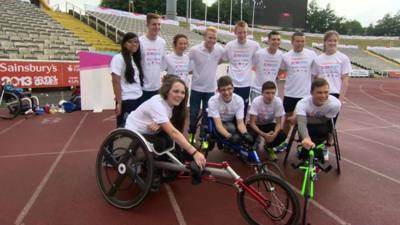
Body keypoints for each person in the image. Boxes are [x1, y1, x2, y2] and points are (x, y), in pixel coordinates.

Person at [125, 76, 207, 190]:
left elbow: (172, 128)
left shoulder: (169, 104)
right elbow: (173, 132)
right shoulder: (157, 103)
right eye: (176, 91)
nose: (180, 95)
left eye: (182, 93)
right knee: (162, 142)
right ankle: (137, 162)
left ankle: (157, 166)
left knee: (167, 141)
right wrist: (194, 152)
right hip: (133, 132)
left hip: (148, 132)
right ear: (167, 91)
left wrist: (159, 123)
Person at [188, 26, 225, 143]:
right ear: (204, 37)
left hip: (210, 89)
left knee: (207, 114)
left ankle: (203, 137)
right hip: (196, 88)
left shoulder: (219, 50)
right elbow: (185, 61)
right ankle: (191, 134)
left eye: (214, 38)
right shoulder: (194, 50)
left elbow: (221, 60)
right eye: (210, 37)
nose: (212, 40)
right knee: (193, 113)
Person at [295, 78, 341, 162]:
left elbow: (324, 120)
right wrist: (306, 138)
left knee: (321, 130)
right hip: (307, 126)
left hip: (323, 125)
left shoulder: (335, 104)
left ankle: (319, 147)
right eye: (319, 92)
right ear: (311, 93)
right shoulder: (302, 103)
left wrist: (307, 119)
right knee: (304, 129)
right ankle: (309, 147)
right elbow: (301, 123)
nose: (323, 96)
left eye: (326, 92)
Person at [281, 31, 317, 136]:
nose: (300, 43)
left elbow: (315, 74)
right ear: (292, 42)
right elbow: (280, 72)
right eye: (297, 41)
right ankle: (283, 142)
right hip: (290, 93)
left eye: (302, 41)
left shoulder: (312, 54)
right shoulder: (286, 56)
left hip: (305, 94)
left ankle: (303, 143)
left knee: (303, 121)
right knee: (287, 120)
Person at [224, 21, 260, 116]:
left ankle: (241, 128)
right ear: (235, 33)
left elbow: (258, 61)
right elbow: (223, 59)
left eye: (244, 32)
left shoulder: (255, 46)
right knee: (230, 107)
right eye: (240, 32)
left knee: (243, 107)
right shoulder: (229, 45)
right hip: (232, 83)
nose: (242, 35)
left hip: (245, 83)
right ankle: (230, 128)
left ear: (247, 32)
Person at [207, 76, 253, 146]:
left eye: (229, 89)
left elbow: (240, 123)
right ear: (218, 91)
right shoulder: (213, 101)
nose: (227, 92)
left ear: (233, 88)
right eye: (223, 90)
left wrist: (245, 134)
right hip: (218, 121)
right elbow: (218, 124)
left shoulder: (239, 100)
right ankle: (215, 136)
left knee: (241, 134)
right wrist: (229, 136)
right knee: (231, 128)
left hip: (230, 121)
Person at [110, 32, 144, 127]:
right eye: (130, 42)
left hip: (138, 97)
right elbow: (115, 82)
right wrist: (119, 102)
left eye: (136, 42)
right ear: (124, 44)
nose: (134, 44)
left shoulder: (134, 58)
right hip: (127, 100)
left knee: (137, 128)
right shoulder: (118, 58)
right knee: (125, 128)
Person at [248, 81, 287, 161]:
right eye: (267, 93)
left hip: (269, 124)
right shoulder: (256, 101)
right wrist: (263, 134)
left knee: (282, 135)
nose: (270, 96)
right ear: (262, 93)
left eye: (273, 93)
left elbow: (279, 123)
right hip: (256, 125)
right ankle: (254, 144)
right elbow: (252, 123)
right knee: (249, 139)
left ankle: (269, 147)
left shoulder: (278, 101)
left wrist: (274, 135)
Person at [312, 30, 351, 103]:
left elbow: (345, 80)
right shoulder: (317, 59)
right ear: (325, 42)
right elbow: (314, 79)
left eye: (335, 41)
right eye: (330, 40)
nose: (332, 43)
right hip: (321, 94)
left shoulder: (343, 58)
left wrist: (341, 99)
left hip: (335, 93)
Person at [139, 13, 167, 103]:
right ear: (147, 25)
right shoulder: (140, 41)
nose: (157, 27)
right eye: (154, 24)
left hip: (157, 88)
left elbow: (163, 65)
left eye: (159, 24)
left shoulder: (162, 42)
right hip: (142, 88)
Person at [251, 30, 284, 101]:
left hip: (273, 92)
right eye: (273, 39)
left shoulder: (281, 55)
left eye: (278, 39)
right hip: (257, 90)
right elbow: (250, 65)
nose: (276, 41)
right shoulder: (259, 54)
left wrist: (275, 76)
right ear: (268, 41)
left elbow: (282, 69)